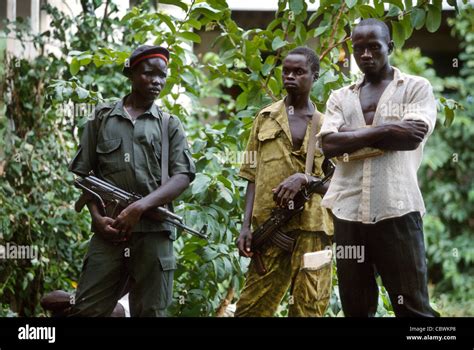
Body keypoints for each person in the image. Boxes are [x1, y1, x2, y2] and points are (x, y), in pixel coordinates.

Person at [318, 19, 439, 317]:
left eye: (374, 47)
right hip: (348, 216)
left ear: (390, 48)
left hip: (396, 212)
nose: (366, 55)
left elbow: (411, 136)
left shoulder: (415, 88)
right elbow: (329, 145)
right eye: (359, 49)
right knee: (356, 308)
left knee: (414, 309)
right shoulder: (340, 96)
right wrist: (386, 132)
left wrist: (352, 136)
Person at [68, 45, 196, 317]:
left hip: (153, 233)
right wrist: (96, 218)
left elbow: (183, 175)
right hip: (109, 232)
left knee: (150, 312)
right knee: (87, 309)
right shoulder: (101, 118)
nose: (157, 81)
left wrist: (138, 208)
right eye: (149, 74)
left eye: (163, 76)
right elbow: (86, 176)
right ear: (132, 72)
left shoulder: (168, 124)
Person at [235, 47, 333, 317]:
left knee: (308, 309)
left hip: (313, 230)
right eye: (286, 71)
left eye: (299, 72)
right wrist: (245, 226)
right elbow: (251, 176)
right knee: (250, 309)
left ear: (315, 75)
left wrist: (305, 179)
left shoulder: (328, 126)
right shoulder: (265, 118)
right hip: (270, 228)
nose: (290, 76)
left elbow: (340, 185)